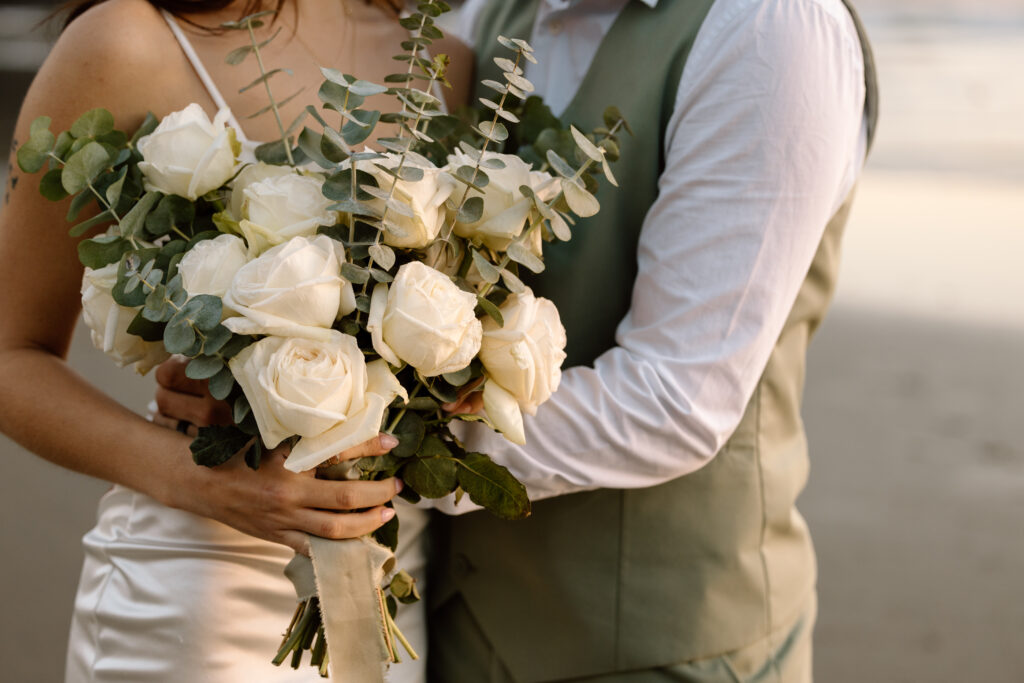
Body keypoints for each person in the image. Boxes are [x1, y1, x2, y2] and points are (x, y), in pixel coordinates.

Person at [153, 0, 879, 680]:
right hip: (452, 623)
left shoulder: (772, 28)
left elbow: (677, 397)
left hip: (657, 643)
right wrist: (249, 358)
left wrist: (338, 426)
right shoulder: (488, 13)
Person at [0, 0, 472, 681]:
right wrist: (192, 477)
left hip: (385, 589)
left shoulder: (445, 64)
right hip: (193, 599)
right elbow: (12, 356)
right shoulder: (125, 41)